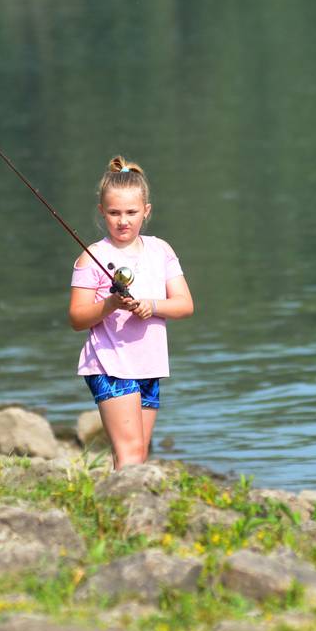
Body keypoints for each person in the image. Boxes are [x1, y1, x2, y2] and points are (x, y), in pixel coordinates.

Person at [68, 156, 193, 469]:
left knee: (136, 456)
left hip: (149, 365)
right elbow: (76, 318)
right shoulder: (92, 256)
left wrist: (152, 306)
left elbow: (184, 304)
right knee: (131, 455)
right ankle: (126, 516)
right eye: (114, 213)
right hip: (109, 364)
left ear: (146, 211)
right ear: (102, 212)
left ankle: (114, 513)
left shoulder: (161, 250)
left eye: (131, 212)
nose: (123, 221)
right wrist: (110, 304)